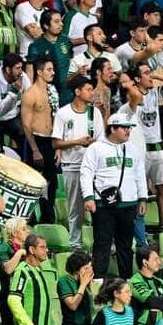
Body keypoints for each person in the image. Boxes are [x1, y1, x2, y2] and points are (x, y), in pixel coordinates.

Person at [81, 111, 147, 279]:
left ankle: (126, 281)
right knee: (102, 244)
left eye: (129, 128)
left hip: (129, 203)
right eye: (124, 128)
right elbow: (86, 173)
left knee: (125, 245)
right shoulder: (96, 148)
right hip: (104, 205)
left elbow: (140, 174)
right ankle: (97, 282)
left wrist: (142, 197)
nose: (128, 131)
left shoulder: (133, 149)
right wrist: (88, 197)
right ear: (112, 128)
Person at [53, 75, 104, 249]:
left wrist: (92, 144)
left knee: (99, 207)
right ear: (77, 91)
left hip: (92, 168)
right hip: (71, 165)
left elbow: (101, 139)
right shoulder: (63, 113)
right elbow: (56, 142)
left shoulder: (94, 113)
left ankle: (101, 242)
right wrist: (77, 141)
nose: (92, 93)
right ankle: (75, 244)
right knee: (75, 208)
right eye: (89, 89)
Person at [8, 234, 53, 325]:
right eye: (42, 247)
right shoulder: (22, 271)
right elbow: (13, 300)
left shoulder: (39, 270)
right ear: (32, 250)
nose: (46, 250)